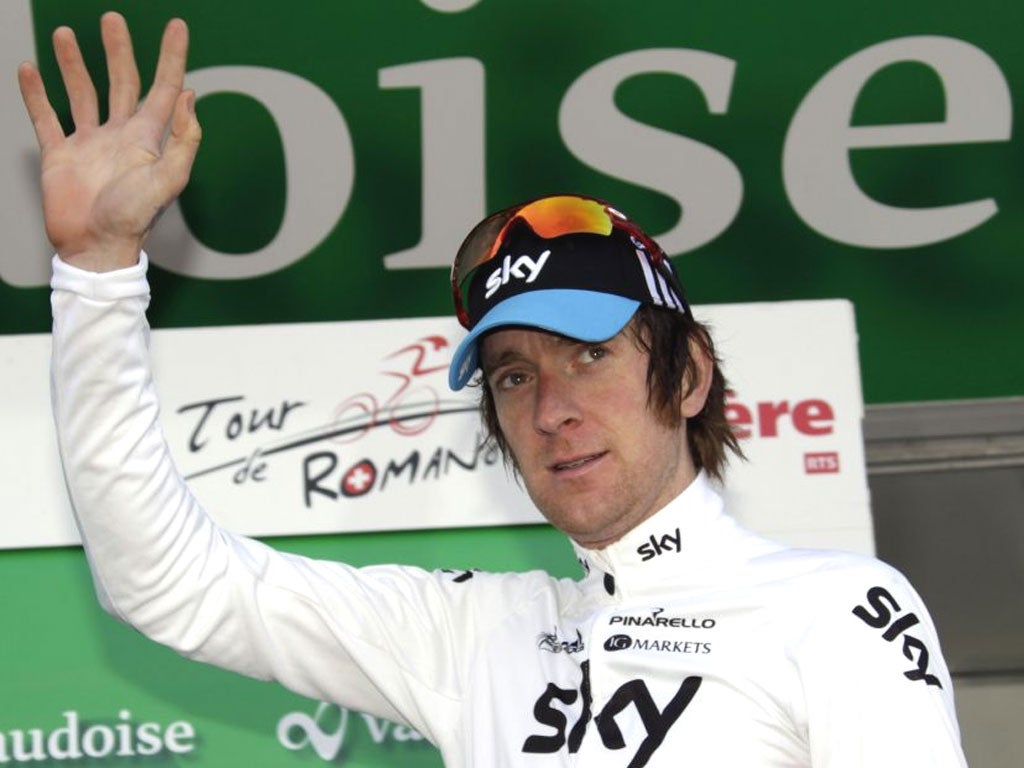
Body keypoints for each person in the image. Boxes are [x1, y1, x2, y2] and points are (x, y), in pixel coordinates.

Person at [19, 12, 968, 767]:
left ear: (685, 376)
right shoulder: (475, 635)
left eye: (590, 353)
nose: (551, 407)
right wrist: (98, 271)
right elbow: (169, 583)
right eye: (515, 374)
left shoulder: (838, 608)